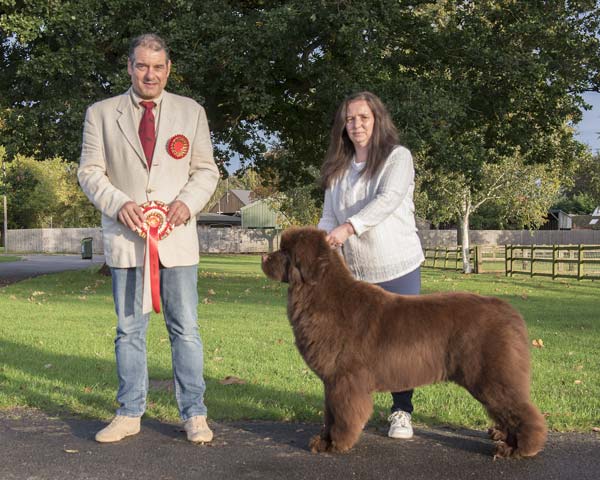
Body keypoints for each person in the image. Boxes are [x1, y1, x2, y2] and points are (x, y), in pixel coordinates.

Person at [78, 33, 220, 444]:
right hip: (126, 240)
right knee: (128, 331)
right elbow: (90, 171)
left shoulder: (191, 112)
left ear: (168, 69)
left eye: (158, 67)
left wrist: (187, 204)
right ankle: (129, 413)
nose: (150, 74)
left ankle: (195, 414)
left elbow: (206, 170)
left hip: (176, 239)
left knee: (186, 330)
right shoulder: (100, 113)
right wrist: (118, 203)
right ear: (129, 67)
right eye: (142, 65)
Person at [317, 91, 424, 440]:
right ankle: (353, 412)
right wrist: (318, 246)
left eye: (363, 117)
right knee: (355, 350)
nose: (356, 124)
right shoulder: (338, 167)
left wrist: (349, 228)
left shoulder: (397, 157)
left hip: (397, 265)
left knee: (400, 344)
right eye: (350, 119)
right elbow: (329, 216)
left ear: (377, 120)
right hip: (355, 276)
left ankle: (401, 411)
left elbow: (388, 200)